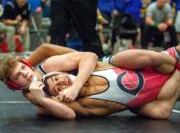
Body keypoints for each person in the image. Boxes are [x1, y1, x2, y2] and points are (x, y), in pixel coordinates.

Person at [0, 43, 180, 120]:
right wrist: (42, 100)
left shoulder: (48, 65)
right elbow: (66, 114)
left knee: (150, 58)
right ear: (13, 85)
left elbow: (48, 48)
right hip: (119, 96)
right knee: (161, 112)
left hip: (101, 68)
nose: (25, 74)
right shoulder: (37, 98)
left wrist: (77, 78)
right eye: (17, 77)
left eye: (23, 68)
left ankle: (174, 58)